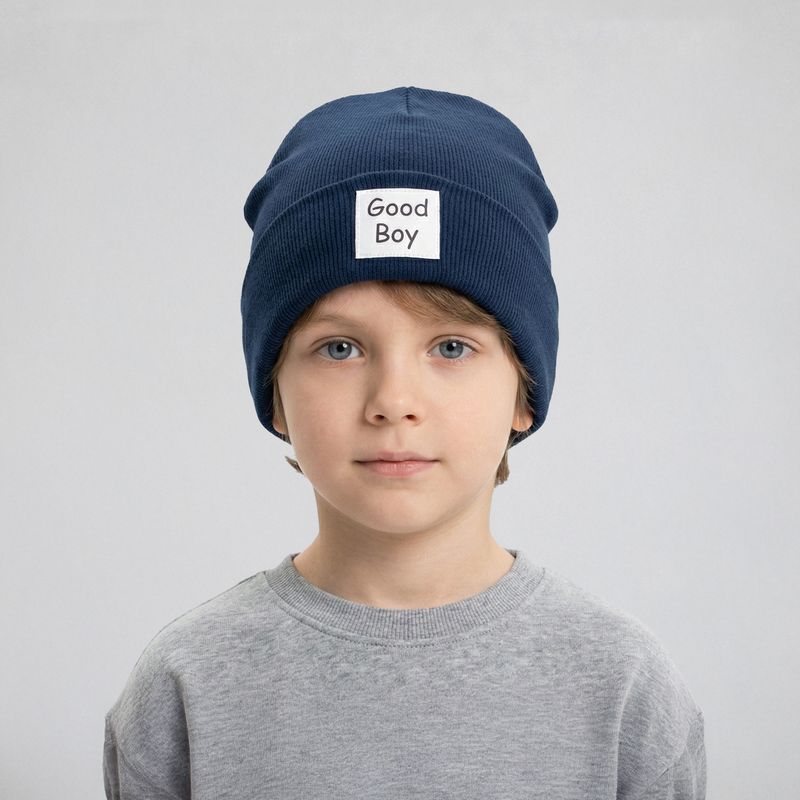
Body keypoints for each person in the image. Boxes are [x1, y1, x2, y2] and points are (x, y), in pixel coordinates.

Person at [103, 86, 706, 799]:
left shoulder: (624, 690)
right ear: (275, 393)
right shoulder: (185, 687)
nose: (394, 401)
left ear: (524, 389)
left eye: (450, 346)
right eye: (339, 348)